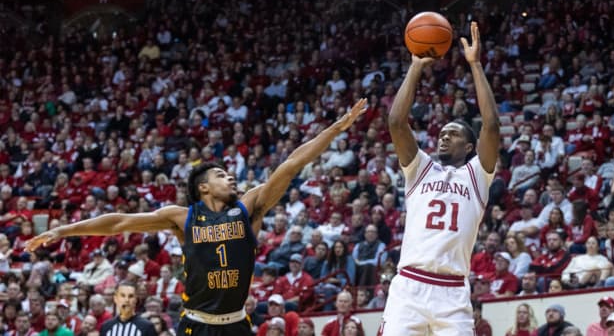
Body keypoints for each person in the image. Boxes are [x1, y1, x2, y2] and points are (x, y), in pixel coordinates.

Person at [26, 99, 367, 336]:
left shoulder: (248, 209)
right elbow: (118, 222)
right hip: (195, 324)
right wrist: (64, 230)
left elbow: (291, 164)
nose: (230, 178)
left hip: (235, 323)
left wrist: (335, 129)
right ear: (204, 187)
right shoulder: (181, 218)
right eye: (221, 175)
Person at [382, 22, 500, 335]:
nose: (443, 138)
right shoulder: (420, 169)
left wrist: (474, 64)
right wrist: (416, 66)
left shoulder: (477, 175)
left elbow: (491, 126)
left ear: (470, 146)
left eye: (453, 134)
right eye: (442, 133)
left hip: (453, 291)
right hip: (409, 287)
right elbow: (396, 122)